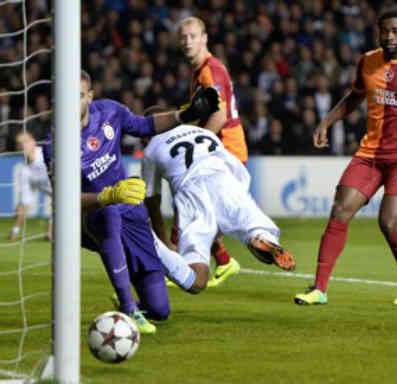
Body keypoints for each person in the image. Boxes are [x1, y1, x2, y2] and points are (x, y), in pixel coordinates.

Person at [294, 5, 397, 306]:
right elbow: (354, 97)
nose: (390, 36)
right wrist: (327, 121)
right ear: (377, 32)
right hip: (370, 152)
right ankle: (319, 288)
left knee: (389, 222)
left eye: (396, 31)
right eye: (385, 31)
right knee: (340, 210)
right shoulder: (367, 62)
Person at [43, 70, 220, 334]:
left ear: (89, 97)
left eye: (79, 96)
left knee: (160, 309)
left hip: (132, 213)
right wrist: (107, 196)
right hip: (90, 217)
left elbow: (145, 125)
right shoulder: (55, 143)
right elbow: (64, 200)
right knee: (110, 213)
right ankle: (129, 308)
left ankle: (136, 304)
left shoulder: (110, 113)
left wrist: (183, 115)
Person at [141, 107, 295, 294]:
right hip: (224, 180)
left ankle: (158, 262)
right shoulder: (202, 132)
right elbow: (235, 167)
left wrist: (164, 244)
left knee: (196, 279)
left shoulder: (151, 150)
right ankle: (262, 238)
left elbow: (153, 204)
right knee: (254, 225)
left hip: (191, 193)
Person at [174, 16, 250, 287]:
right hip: (220, 147)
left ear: (204, 38)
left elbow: (218, 116)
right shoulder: (199, 72)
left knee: (187, 202)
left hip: (226, 148)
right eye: (183, 37)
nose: (187, 42)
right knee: (194, 205)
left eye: (193, 36)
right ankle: (225, 261)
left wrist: (194, 145)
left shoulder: (210, 71)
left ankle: (175, 267)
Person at [9, 131, 52, 241]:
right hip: (56, 196)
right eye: (19, 143)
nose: (23, 145)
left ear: (33, 142)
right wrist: (15, 230)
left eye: (25, 141)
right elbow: (25, 203)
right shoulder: (24, 171)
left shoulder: (46, 154)